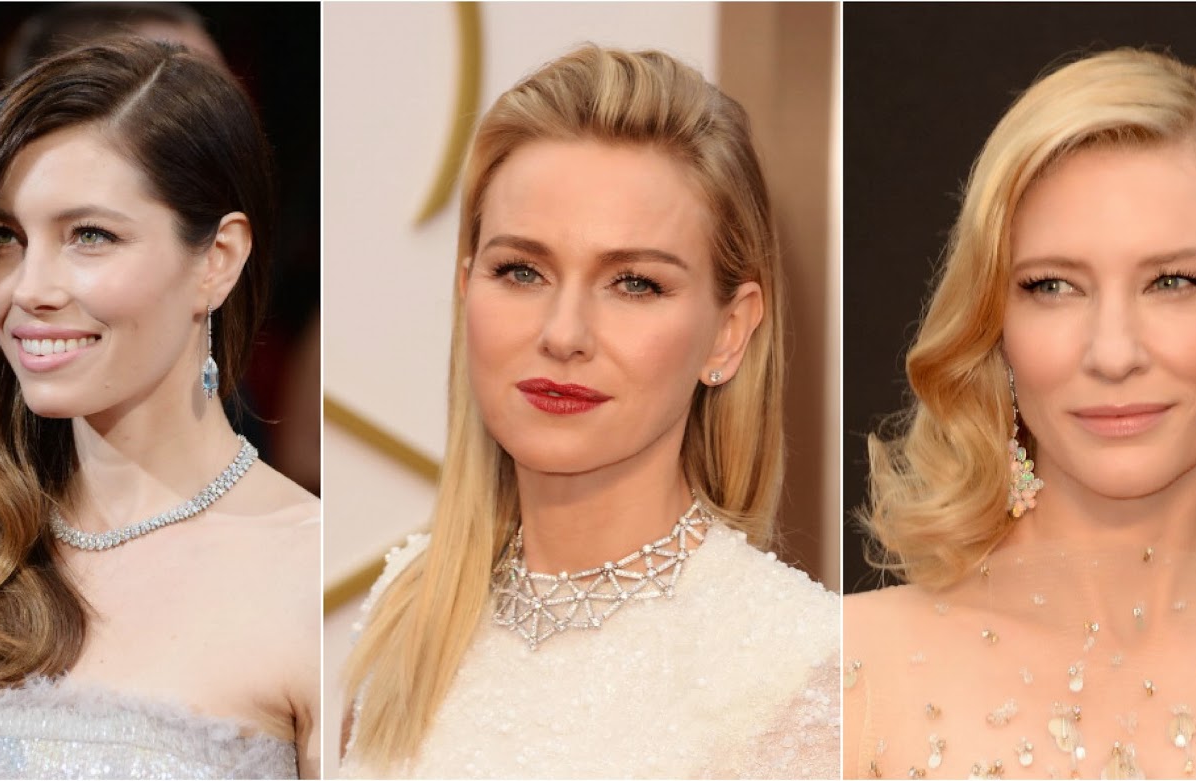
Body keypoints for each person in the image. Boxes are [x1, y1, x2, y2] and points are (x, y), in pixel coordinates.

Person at [845, 48, 1196, 780]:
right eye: (1052, 286)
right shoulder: (848, 674)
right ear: (993, 319)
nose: (1112, 353)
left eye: (1172, 281)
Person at [339, 45, 840, 779]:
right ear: (466, 287)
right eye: (521, 271)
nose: (564, 333)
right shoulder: (406, 612)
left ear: (729, 331)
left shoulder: (797, 669)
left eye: (634, 283)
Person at [0, 38, 319, 778]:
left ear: (218, 260)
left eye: (90, 236)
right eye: (4, 238)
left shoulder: (316, 578)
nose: (27, 289)